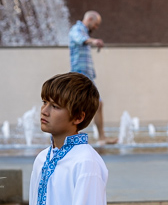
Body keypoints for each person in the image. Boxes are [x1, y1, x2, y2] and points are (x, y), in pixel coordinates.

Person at [29, 72, 108, 205]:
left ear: (78, 117)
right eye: (44, 102)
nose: (44, 111)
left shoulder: (86, 162)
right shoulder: (42, 159)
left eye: (55, 106)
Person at [69, 10, 117, 144]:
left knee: (96, 104)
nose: (96, 28)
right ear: (89, 19)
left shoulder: (84, 32)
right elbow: (79, 39)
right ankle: (66, 136)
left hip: (86, 75)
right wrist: (94, 41)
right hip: (79, 75)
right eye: (96, 25)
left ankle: (101, 137)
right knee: (76, 106)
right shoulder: (77, 29)